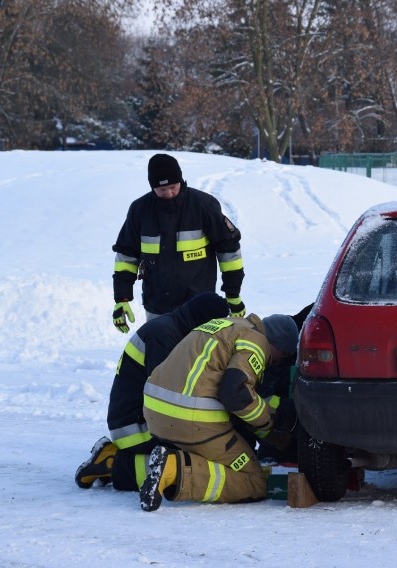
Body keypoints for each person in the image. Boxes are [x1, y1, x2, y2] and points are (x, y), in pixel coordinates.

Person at [138, 313, 300, 511]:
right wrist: (270, 420)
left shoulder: (227, 324)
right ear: (278, 347)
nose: (275, 363)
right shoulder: (257, 342)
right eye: (280, 358)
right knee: (255, 480)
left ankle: (173, 462)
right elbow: (236, 394)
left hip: (156, 413)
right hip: (191, 419)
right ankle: (174, 469)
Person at [75, 292, 230, 491]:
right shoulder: (164, 336)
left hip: (141, 418)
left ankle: (113, 457)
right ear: (205, 320)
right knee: (189, 461)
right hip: (134, 429)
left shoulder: (175, 329)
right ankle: (112, 464)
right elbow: (169, 396)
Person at [111, 153, 246, 334]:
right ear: (152, 188)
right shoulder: (140, 210)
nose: (169, 194)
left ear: (181, 181)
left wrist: (233, 294)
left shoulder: (203, 206)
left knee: (198, 356)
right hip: (157, 306)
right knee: (160, 355)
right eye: (162, 190)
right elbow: (126, 256)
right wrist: (122, 298)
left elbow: (229, 250)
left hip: (199, 305)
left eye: (173, 187)